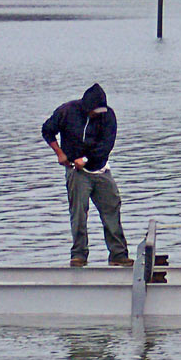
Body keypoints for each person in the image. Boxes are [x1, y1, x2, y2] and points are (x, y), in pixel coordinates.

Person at [42, 83, 133, 267]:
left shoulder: (108, 116)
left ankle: (118, 254)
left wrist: (86, 160)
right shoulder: (67, 111)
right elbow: (47, 130)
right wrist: (59, 153)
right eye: (94, 111)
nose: (97, 114)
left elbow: (106, 145)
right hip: (77, 174)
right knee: (78, 214)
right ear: (85, 107)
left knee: (111, 210)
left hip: (100, 170)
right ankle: (79, 255)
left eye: (100, 110)